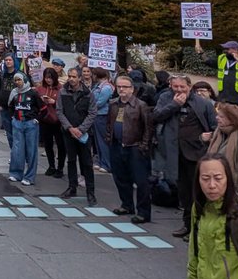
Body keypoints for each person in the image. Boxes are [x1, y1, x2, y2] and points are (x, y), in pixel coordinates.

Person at [154, 74, 214, 238]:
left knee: (197, 192)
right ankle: (187, 224)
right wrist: (174, 105)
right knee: (183, 192)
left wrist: (207, 138)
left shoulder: (203, 103)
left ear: (189, 87)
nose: (179, 90)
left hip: (196, 153)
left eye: (182, 87)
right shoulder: (166, 98)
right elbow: (156, 116)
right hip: (174, 152)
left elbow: (213, 126)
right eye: (175, 87)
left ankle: (198, 228)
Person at [105, 74, 154, 223]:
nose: (121, 89)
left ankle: (143, 212)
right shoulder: (113, 104)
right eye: (119, 86)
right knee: (120, 178)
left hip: (135, 147)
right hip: (117, 145)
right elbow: (109, 123)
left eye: (125, 87)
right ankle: (126, 205)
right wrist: (109, 138)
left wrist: (144, 146)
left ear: (132, 89)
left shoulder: (140, 106)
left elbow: (148, 128)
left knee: (141, 181)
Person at [57, 67, 96, 205]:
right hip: (69, 132)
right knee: (71, 160)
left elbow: (92, 113)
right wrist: (70, 128)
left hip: (84, 133)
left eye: (74, 76)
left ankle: (90, 192)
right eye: (70, 76)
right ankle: (71, 187)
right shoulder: (62, 92)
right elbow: (60, 112)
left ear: (80, 78)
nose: (71, 79)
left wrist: (81, 129)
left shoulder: (88, 93)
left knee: (87, 163)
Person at [207, 103, 238, 202]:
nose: (217, 118)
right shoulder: (219, 133)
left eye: (221, 117)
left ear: (232, 120)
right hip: (216, 186)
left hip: (235, 193)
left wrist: (233, 194)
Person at [6, 73, 43, 185]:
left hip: (30, 124)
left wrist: (36, 119)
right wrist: (13, 117)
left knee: (31, 150)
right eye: (15, 80)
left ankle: (29, 177)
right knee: (17, 150)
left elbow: (42, 107)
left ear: (24, 80)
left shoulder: (33, 93)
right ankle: (16, 174)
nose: (17, 82)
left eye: (19, 80)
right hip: (18, 123)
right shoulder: (14, 93)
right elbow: (10, 106)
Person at [36, 66, 65, 178]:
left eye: (50, 78)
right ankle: (51, 165)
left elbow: (65, 104)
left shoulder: (61, 89)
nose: (48, 80)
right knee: (48, 145)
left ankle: (60, 168)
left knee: (61, 145)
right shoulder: (41, 89)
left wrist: (54, 102)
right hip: (45, 119)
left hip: (58, 120)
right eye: (46, 78)